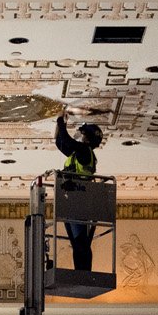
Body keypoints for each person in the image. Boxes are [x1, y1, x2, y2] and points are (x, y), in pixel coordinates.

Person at [54, 114, 103, 270]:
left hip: (79, 200)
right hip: (74, 199)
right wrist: (60, 124)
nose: (81, 137)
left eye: (83, 134)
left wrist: (61, 121)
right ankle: (81, 272)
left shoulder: (84, 151)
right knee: (77, 242)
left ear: (87, 138)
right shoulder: (81, 153)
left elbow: (67, 141)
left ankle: (84, 273)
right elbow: (61, 143)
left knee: (79, 241)